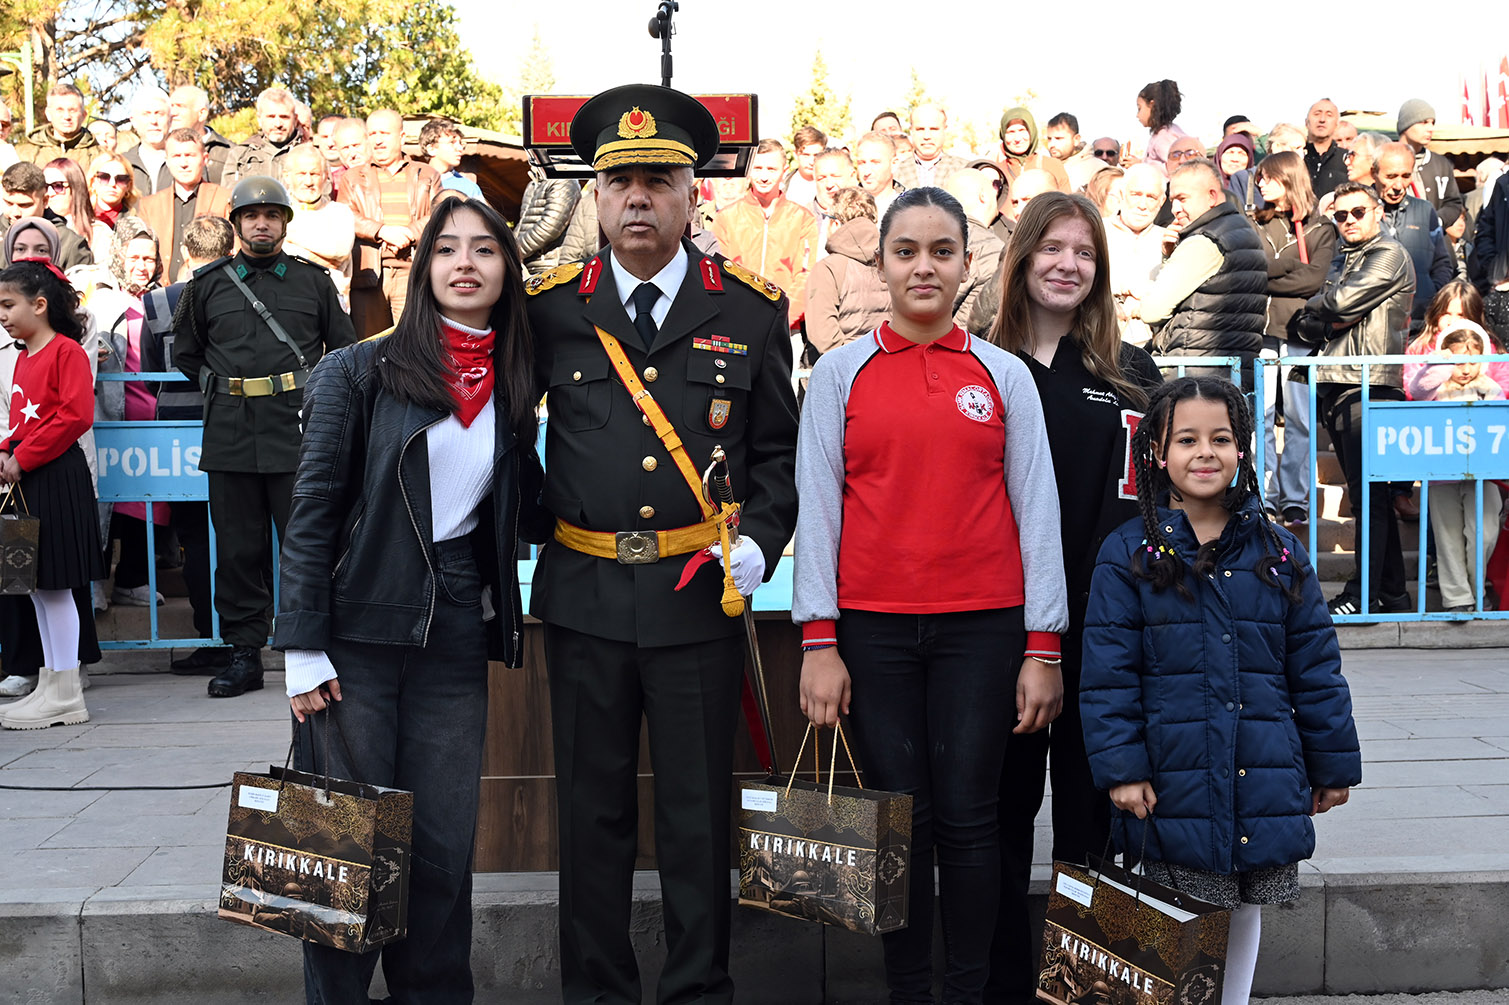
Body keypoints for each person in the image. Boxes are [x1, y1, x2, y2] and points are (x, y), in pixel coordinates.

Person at [525, 83, 798, 1004]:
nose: (637, 198)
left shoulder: (752, 312)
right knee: (589, 815)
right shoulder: (552, 307)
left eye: (658, 180)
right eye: (619, 182)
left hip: (695, 598)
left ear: (693, 195)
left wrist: (758, 543)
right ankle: (595, 991)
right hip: (585, 598)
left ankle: (696, 990)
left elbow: (777, 458)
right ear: (594, 199)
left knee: (695, 817)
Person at [796, 186, 1067, 1005]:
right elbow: (818, 509)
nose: (923, 266)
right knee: (898, 822)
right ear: (879, 262)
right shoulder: (839, 374)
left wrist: (1042, 648)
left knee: (970, 819)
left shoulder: (1003, 376)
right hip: (872, 632)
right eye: (905, 250)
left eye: (940, 251)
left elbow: (1037, 510)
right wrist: (818, 641)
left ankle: (970, 989)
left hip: (981, 631)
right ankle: (908, 991)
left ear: (965, 263)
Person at [273, 195, 543, 1004]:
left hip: (454, 632)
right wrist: (300, 645)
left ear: (505, 270)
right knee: (347, 848)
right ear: (422, 268)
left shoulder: (514, 377)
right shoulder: (357, 368)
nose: (466, 262)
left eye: (485, 250)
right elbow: (313, 508)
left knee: (439, 851)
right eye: (447, 248)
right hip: (354, 634)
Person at [1081, 376, 1361, 1005]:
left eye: (1221, 438)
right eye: (1186, 439)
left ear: (1242, 451)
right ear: (1156, 451)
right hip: (1175, 775)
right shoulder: (1127, 554)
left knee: (1242, 906)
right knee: (1182, 908)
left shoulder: (1279, 552)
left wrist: (1331, 764)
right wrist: (1123, 769)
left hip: (1261, 771)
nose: (1204, 452)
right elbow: (1108, 677)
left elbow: (1316, 669)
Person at [980, 192, 1162, 1004]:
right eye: (1051, 247)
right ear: (1021, 258)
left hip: (1106, 642)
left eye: (1082, 252)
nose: (1066, 264)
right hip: (999, 636)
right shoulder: (979, 366)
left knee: (1093, 829)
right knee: (997, 821)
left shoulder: (1132, 374)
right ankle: (1001, 986)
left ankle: (1085, 990)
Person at [172, 176, 355, 698]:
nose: (261, 224)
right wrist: (220, 387)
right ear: (236, 224)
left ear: (284, 224)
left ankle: (315, 647)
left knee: (307, 545)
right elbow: (187, 353)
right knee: (236, 550)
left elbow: (343, 350)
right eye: (251, 216)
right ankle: (244, 653)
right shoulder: (207, 286)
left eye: (272, 215)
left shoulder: (313, 282)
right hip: (230, 431)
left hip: (297, 431)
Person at [1290, 181, 1414, 617]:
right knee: (1369, 495)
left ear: (1377, 212)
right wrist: (1323, 317)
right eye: (1340, 216)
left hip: (1371, 385)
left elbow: (1340, 302)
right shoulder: (1345, 257)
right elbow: (1306, 324)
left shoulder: (1389, 253)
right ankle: (1395, 597)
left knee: (1370, 497)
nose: (1348, 222)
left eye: (1357, 212)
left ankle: (1361, 595)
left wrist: (1321, 312)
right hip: (1339, 382)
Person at [0, 260, 106, 729]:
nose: (2, 314)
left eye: (8, 304)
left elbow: (74, 416)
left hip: (54, 476)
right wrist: (6, 450)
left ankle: (65, 691)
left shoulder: (65, 352)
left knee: (55, 583)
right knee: (34, 585)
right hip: (27, 477)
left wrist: (22, 457)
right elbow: (24, 420)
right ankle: (49, 682)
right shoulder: (24, 355)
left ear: (39, 304)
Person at [142, 215, 235, 673]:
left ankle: (210, 638)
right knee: (240, 536)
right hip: (235, 424)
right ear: (231, 252)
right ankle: (244, 639)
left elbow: (149, 373)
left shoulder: (157, 301)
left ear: (183, 255)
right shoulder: (242, 294)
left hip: (177, 432)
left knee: (196, 540)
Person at [1252, 151, 1335, 531]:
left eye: (1267, 178)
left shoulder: (1321, 227)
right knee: (1262, 416)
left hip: (1300, 333)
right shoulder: (1256, 223)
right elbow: (1253, 273)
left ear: (1288, 179)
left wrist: (1274, 275)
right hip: (1261, 333)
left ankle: (1295, 499)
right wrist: (1287, 267)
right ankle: (1264, 495)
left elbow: (1314, 281)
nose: (1260, 184)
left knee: (1301, 419)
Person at [1129, 160, 1267, 387]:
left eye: (1183, 199)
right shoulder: (1242, 231)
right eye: (1172, 200)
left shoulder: (1204, 240)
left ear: (1212, 197)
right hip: (1232, 374)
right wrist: (1170, 255)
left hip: (1192, 375)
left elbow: (1152, 311)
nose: (1174, 209)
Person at [88, 217, 168, 608]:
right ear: (119, 256)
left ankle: (133, 579)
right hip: (109, 413)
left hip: (151, 414)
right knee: (106, 501)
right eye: (134, 257)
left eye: (149, 258)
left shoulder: (165, 299)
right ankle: (96, 582)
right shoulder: (101, 300)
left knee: (146, 501)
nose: (142, 265)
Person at [1407, 319, 1504, 614]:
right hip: (1440, 475)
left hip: (1484, 476)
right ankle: (1457, 599)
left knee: (1484, 533)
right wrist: (1439, 364)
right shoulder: (1436, 387)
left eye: (1472, 361)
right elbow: (1418, 388)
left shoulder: (1491, 388)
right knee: (1447, 536)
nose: (1465, 369)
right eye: (1458, 360)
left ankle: (1477, 589)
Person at [339, 109, 442, 338]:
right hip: (368, 278)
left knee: (415, 346)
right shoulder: (352, 177)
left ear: (402, 137)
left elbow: (439, 213)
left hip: (413, 274)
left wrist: (409, 233)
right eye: (372, 133)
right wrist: (382, 231)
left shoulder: (427, 174)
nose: (378, 139)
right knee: (368, 350)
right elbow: (345, 215)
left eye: (384, 133)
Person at [712, 138, 818, 321]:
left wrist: (783, 316)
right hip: (737, 317)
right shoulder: (726, 218)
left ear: (784, 171)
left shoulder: (803, 219)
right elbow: (719, 272)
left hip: (786, 323)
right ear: (748, 170)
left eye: (771, 169)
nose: (764, 176)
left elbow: (805, 274)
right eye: (758, 168)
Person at [1373, 142, 1454, 333]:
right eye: (1391, 176)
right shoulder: (1358, 211)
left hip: (1419, 321)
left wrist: (1431, 294)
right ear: (1374, 173)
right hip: (1375, 322)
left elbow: (1442, 262)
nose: (1399, 185)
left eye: (1406, 176)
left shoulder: (1425, 210)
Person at [132, 129, 232, 282]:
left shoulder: (224, 199)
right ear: (167, 160)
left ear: (205, 159)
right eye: (177, 156)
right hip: (162, 293)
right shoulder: (149, 205)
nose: (184, 163)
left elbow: (234, 251)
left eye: (190, 156)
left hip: (210, 289)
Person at [801, 186, 889, 358]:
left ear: (835, 223)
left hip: (842, 372)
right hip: (887, 365)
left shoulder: (828, 269)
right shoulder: (892, 264)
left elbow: (822, 335)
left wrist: (847, 367)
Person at [280, 143, 355, 306]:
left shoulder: (340, 212)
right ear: (286, 176)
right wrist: (323, 261)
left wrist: (288, 234)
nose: (308, 181)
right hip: (289, 301)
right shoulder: (277, 216)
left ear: (325, 176)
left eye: (314, 174)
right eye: (301, 174)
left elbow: (339, 251)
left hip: (332, 303)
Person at [1105, 163, 1168, 347]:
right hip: (1099, 345)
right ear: (1122, 195)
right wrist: (1122, 287)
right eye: (1136, 194)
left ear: (1162, 201)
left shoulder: (1169, 240)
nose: (1142, 205)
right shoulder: (1096, 231)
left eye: (1151, 197)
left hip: (1153, 349)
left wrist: (1145, 298)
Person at [1, 162, 94, 270]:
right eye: (9, 203)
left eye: (24, 205)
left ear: (45, 201)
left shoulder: (70, 245)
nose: (15, 212)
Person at [1396, 99, 1465, 228]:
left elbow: (1454, 202)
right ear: (1406, 125)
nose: (1430, 128)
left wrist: (1437, 221)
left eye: (1432, 123)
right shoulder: (1386, 159)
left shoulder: (1441, 164)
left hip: (1434, 241)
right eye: (1424, 122)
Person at [223, 86, 301, 189]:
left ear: (295, 120)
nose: (278, 124)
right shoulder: (240, 155)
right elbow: (229, 196)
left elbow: (323, 197)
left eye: (284, 117)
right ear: (259, 119)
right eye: (271, 117)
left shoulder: (310, 155)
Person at [14, 83, 99, 170]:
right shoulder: (23, 155)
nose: (67, 116)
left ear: (84, 115)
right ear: (48, 114)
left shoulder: (99, 156)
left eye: (72, 110)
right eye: (60, 110)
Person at [168, 84, 234, 186]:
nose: (173, 113)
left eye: (180, 106)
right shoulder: (161, 150)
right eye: (171, 106)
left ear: (202, 113)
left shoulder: (229, 152)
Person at [43, 157, 105, 262]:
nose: (49, 193)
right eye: (44, 186)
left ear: (76, 188)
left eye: (58, 186)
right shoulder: (34, 228)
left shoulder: (99, 233)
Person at [895, 104, 967, 190]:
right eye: (920, 129)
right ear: (911, 131)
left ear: (944, 130)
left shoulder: (964, 168)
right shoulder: (894, 172)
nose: (927, 136)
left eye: (934, 129)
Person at [996, 107, 1070, 190]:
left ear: (1032, 132)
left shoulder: (1053, 166)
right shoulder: (996, 171)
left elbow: (1066, 201)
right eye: (1011, 132)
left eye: (1022, 130)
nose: (1017, 138)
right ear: (1003, 135)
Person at [419, 116, 485, 202]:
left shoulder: (470, 189)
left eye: (461, 143)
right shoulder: (413, 181)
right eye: (452, 142)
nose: (460, 148)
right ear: (431, 149)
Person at [87, 152, 138, 257]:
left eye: (121, 179)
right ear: (93, 182)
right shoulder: (79, 218)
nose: (112, 184)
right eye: (104, 177)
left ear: (128, 185)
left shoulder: (135, 222)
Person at [124, 87, 172, 195]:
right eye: (146, 114)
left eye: (159, 114)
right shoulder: (123, 163)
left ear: (170, 120)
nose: (153, 121)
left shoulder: (186, 161)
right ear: (133, 121)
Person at [1134, 80, 1187, 176]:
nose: (1137, 115)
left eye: (1139, 108)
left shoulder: (1163, 137)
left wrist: (1143, 167)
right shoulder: (1172, 129)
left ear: (1152, 105)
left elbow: (1176, 166)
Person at [1043, 112, 1104, 191]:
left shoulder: (1098, 170)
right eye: (1049, 139)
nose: (1052, 144)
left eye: (1059, 139)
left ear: (1076, 139)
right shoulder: (1043, 166)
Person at [1303, 99, 1348, 198]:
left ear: (1337, 125)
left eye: (1329, 115)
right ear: (1306, 122)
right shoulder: (1297, 157)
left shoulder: (1347, 160)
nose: (1322, 119)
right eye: (1317, 114)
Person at [784, 125, 827, 209]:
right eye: (806, 155)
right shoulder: (782, 186)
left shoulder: (831, 187)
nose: (811, 161)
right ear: (795, 154)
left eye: (816, 155)